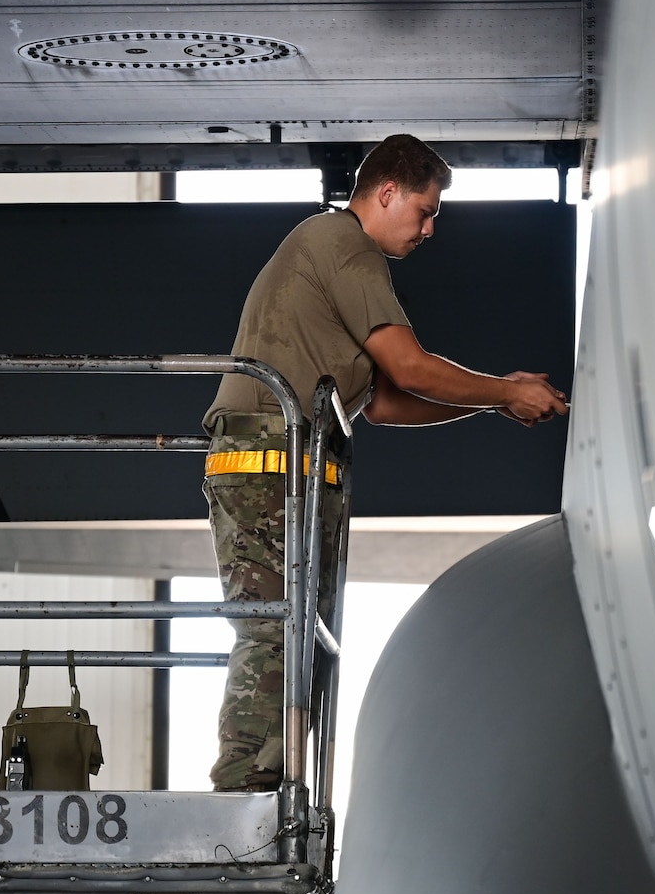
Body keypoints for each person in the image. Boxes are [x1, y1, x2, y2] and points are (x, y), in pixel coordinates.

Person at [201, 134, 569, 791]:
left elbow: (388, 402)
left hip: (286, 466)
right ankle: (243, 799)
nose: (429, 228)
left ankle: (267, 790)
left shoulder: (334, 256)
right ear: (387, 191)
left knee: (296, 634)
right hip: (267, 459)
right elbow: (411, 366)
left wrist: (493, 402)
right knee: (276, 631)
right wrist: (507, 391)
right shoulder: (345, 245)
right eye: (424, 210)